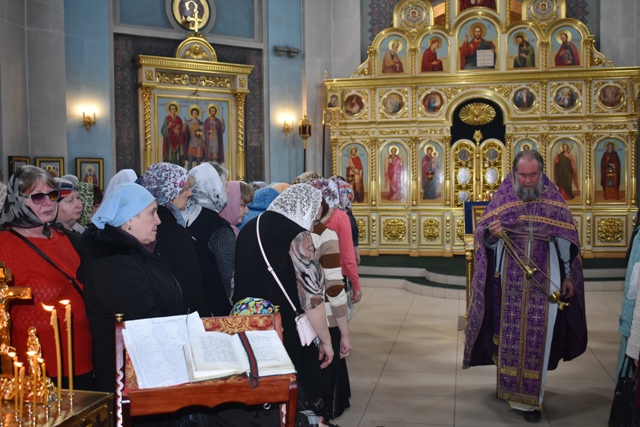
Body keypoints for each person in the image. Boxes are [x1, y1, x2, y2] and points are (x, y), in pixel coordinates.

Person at [463, 150, 587, 423]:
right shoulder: (504, 196)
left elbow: (565, 239)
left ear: (541, 173)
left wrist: (567, 276)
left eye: (533, 175)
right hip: (510, 282)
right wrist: (492, 234)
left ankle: (532, 400)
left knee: (538, 340)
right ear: (514, 174)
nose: (529, 180)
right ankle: (511, 389)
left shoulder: (553, 199)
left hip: (546, 281)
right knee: (510, 337)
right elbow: (484, 235)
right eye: (523, 175)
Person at [234, 184, 333, 416]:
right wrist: (326, 341)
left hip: (249, 326)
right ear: (304, 209)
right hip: (285, 329)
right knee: (294, 398)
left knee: (262, 396)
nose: (312, 226)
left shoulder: (249, 227)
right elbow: (312, 299)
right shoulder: (299, 236)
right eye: (313, 218)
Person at [77, 182, 184, 392]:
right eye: (152, 213)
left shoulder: (135, 253)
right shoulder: (113, 264)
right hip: (131, 376)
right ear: (128, 220)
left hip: (150, 368)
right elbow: (143, 320)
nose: (159, 220)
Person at [0, 165, 94, 390]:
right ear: (17, 200)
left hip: (82, 353)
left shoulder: (63, 237)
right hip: (38, 362)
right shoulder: (5, 245)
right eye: (37, 197)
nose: (48, 203)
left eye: (52, 195)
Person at [138, 162, 211, 316]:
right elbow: (192, 285)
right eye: (184, 189)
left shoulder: (142, 229)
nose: (189, 194)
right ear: (169, 193)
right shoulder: (175, 233)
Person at [309, 180, 352, 422]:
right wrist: (345, 333)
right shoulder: (325, 235)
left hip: (300, 317)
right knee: (328, 363)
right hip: (325, 316)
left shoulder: (293, 232)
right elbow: (334, 288)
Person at [184, 162, 235, 316]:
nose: (227, 191)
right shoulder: (218, 226)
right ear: (213, 187)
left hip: (189, 307)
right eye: (224, 185)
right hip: (216, 311)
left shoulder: (182, 219)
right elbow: (228, 277)